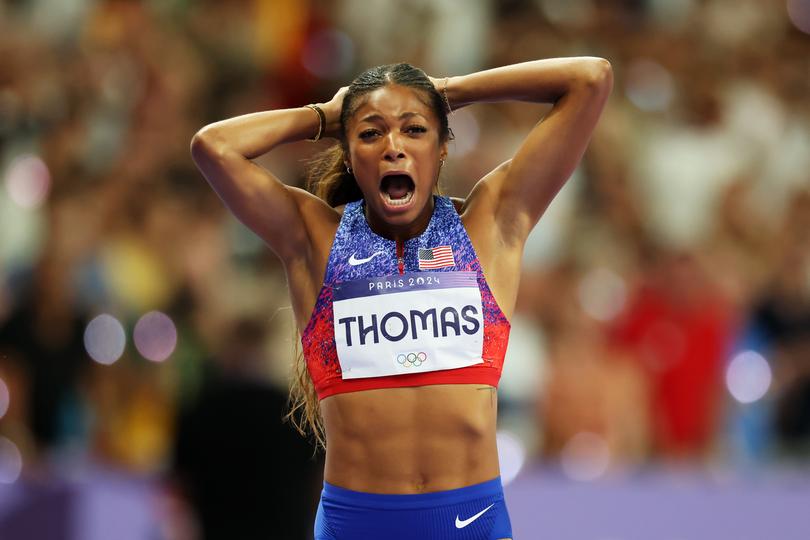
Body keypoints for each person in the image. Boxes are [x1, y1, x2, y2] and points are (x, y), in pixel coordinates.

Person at [190, 58, 612, 539]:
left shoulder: (490, 226)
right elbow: (213, 146)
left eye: (414, 130)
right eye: (371, 134)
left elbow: (590, 78)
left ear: (442, 148)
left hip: (470, 520)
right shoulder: (314, 238)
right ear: (348, 155)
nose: (394, 147)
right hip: (359, 523)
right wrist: (328, 115)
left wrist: (447, 92)